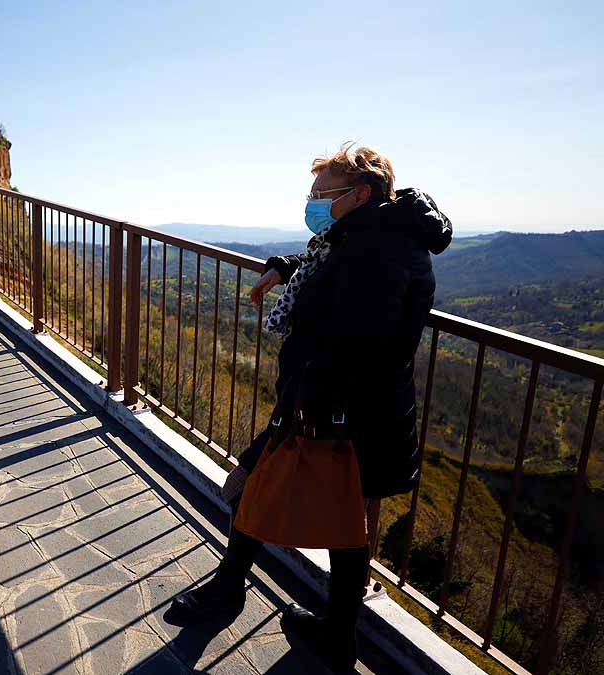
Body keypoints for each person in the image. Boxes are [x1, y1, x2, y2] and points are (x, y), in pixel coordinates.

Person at [165, 143, 453, 673]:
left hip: (337, 408)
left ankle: (232, 592)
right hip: (354, 409)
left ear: (361, 195)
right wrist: (285, 266)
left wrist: (305, 401)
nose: (314, 203)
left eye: (324, 195)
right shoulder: (372, 235)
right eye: (313, 194)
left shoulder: (379, 250)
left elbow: (362, 335)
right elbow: (334, 269)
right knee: (345, 524)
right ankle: (335, 634)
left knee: (252, 485)